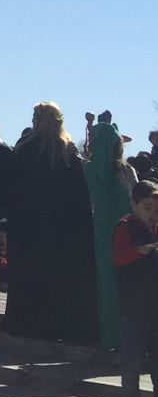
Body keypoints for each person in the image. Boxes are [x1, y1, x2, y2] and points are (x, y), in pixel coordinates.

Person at [2, 101, 98, 346]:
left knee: (31, 276)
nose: (35, 120)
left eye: (39, 116)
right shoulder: (63, 152)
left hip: (32, 226)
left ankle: (26, 323)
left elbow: (12, 190)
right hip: (54, 226)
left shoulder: (34, 150)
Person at [84, 116, 134, 350]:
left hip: (100, 231)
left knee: (104, 283)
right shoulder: (125, 170)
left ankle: (107, 335)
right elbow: (136, 198)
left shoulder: (90, 169)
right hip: (126, 230)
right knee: (126, 284)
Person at [113, 179, 158, 397]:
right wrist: (139, 251)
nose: (152, 214)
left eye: (156, 209)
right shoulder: (125, 227)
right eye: (148, 208)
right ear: (135, 205)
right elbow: (117, 256)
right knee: (132, 363)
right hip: (133, 308)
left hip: (155, 308)